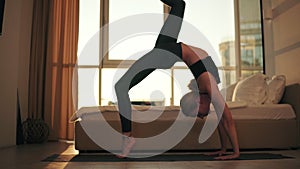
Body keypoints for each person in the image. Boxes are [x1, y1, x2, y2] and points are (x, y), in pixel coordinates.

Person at [115, 0, 240, 160]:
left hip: (168, 52)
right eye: (197, 115)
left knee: (121, 87)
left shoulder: (207, 89)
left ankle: (127, 137)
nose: (201, 117)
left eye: (197, 116)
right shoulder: (209, 86)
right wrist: (234, 152)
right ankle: (128, 138)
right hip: (168, 51)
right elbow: (227, 120)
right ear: (197, 102)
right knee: (179, 4)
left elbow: (222, 120)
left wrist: (224, 148)